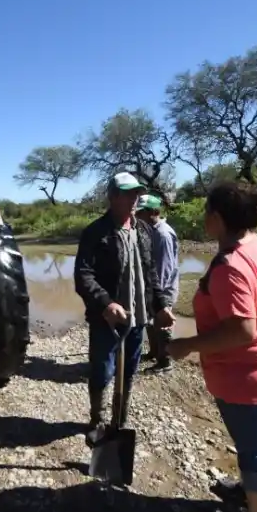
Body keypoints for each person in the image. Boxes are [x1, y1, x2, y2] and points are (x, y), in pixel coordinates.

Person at [166, 181, 257, 512]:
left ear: (218, 218)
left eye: (207, 211)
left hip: (249, 372)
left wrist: (188, 345)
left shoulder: (230, 266)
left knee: (256, 446)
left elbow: (241, 330)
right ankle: (255, 488)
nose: (203, 217)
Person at [74, 172, 176, 434]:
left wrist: (162, 304)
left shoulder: (142, 230)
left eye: (137, 193)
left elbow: (151, 272)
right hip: (106, 319)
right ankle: (97, 418)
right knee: (102, 371)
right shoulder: (96, 232)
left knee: (129, 371)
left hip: (137, 317)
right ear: (113, 196)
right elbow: (83, 276)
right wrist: (106, 303)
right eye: (128, 193)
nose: (135, 198)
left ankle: (120, 420)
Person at [135, 194, 180, 373]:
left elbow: (164, 267)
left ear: (154, 212)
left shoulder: (163, 234)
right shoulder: (149, 230)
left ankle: (166, 362)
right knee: (150, 322)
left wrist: (157, 296)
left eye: (142, 212)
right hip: (153, 287)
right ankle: (154, 352)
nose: (138, 216)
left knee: (162, 323)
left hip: (163, 288)